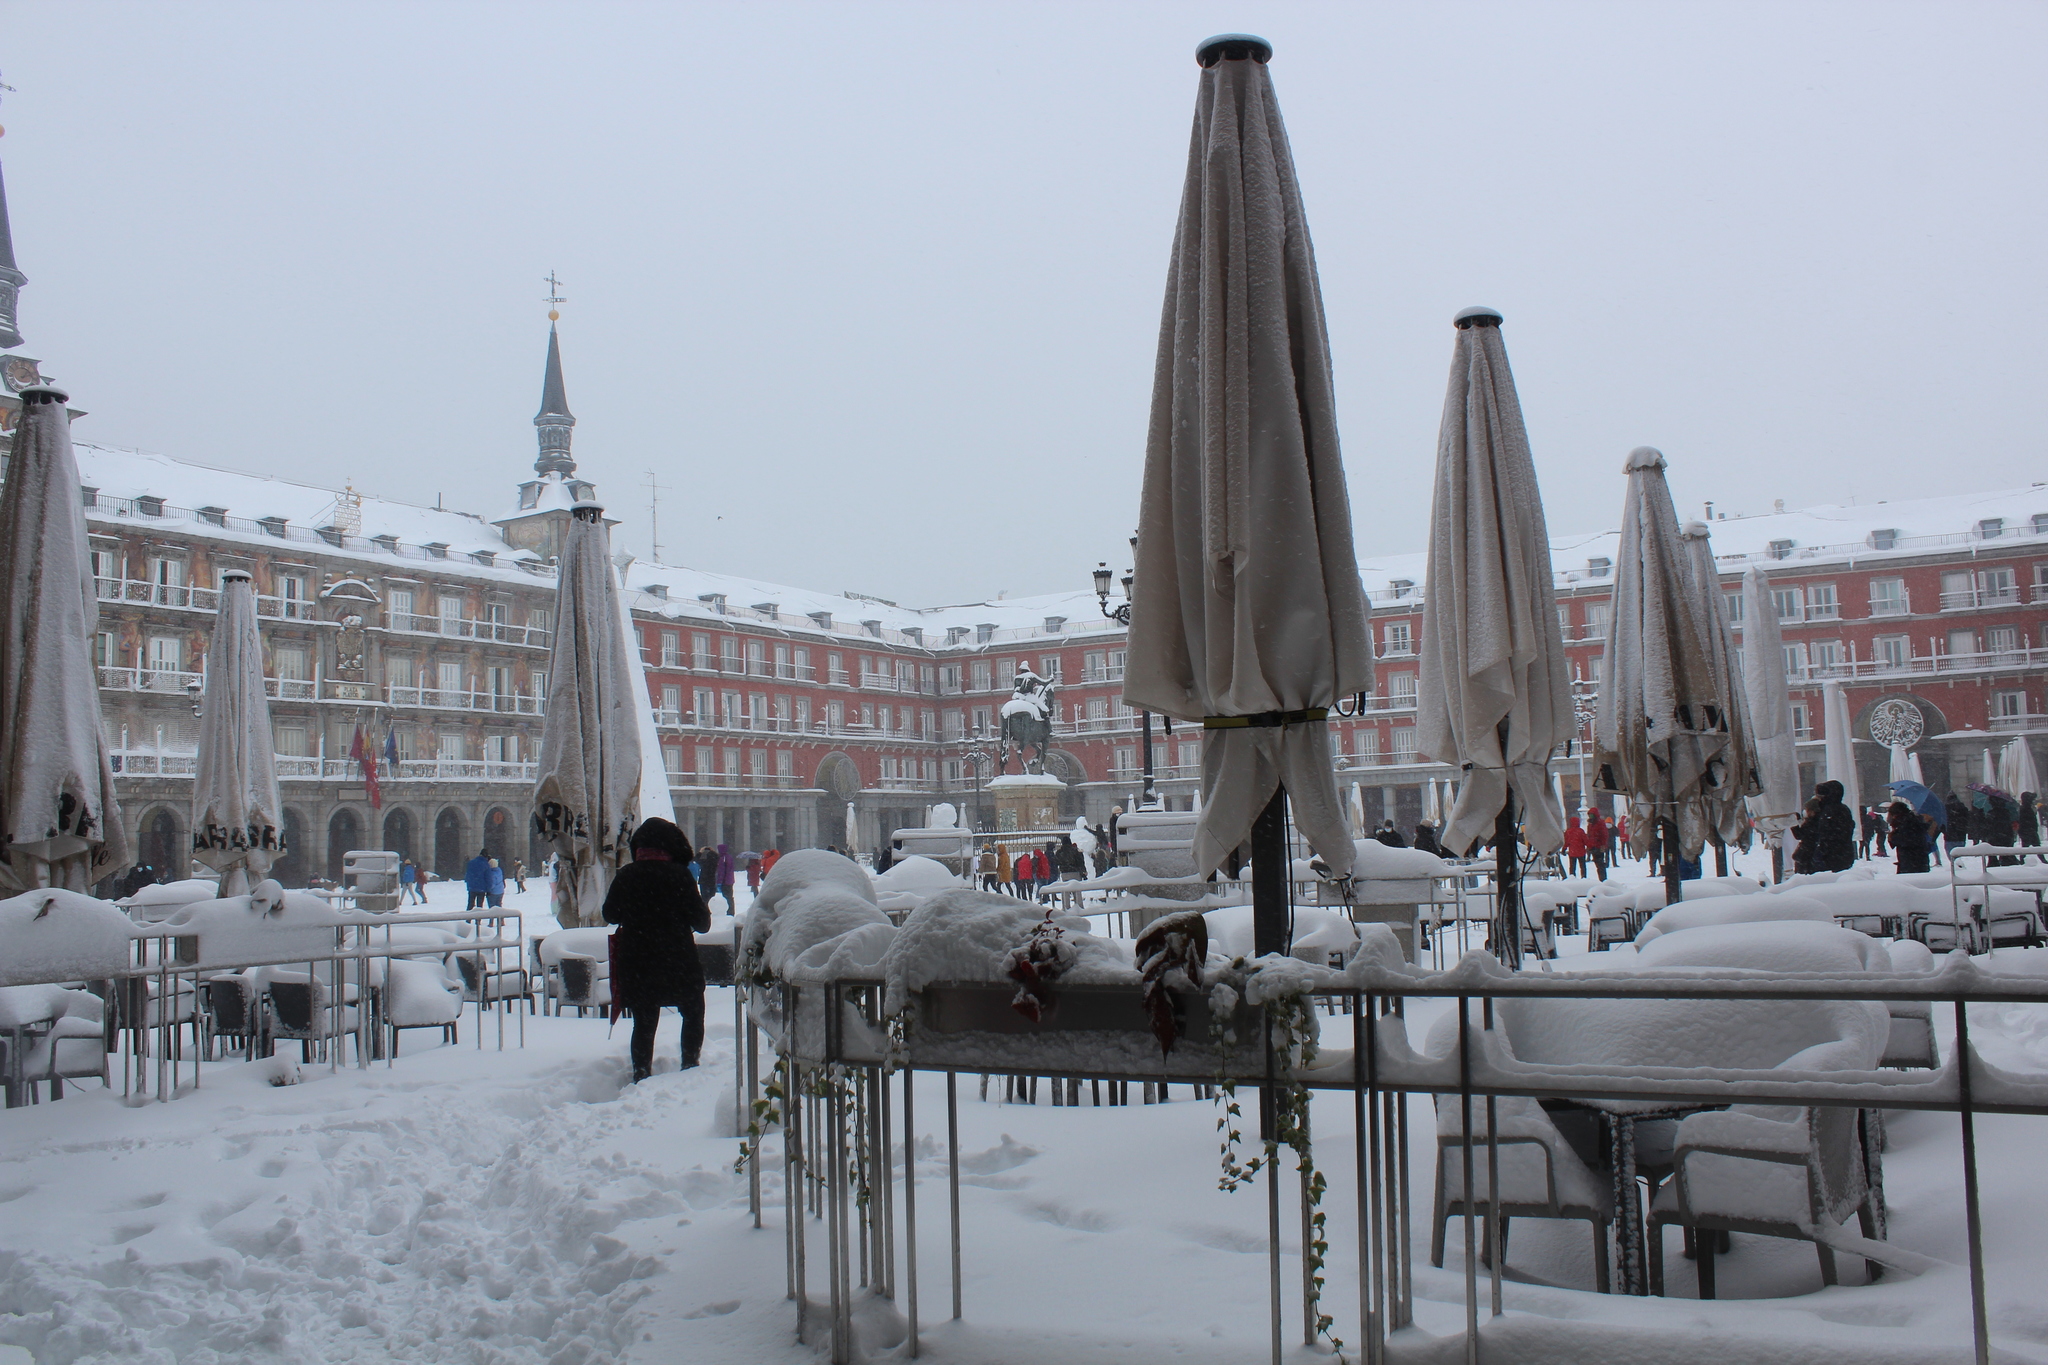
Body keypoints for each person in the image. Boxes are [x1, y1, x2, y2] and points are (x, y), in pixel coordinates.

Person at [601, 817, 710, 1083]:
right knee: (693, 1012)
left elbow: (610, 914)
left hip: (638, 961)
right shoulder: (680, 875)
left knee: (644, 1020)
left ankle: (641, 1071)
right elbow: (703, 923)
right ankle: (690, 1063)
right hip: (677, 959)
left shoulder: (627, 874)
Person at [1887, 800, 1932, 874]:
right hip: (1917, 860)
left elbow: (1906, 840)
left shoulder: (1906, 823)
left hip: (1911, 861)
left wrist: (1893, 837)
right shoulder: (1912, 820)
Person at [1944, 793, 1972, 864]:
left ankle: (1955, 866)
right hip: (1961, 835)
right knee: (1959, 854)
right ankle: (1959, 865)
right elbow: (1967, 820)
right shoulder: (1963, 808)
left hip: (1949, 835)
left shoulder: (1945, 809)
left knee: (1951, 854)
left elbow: (1943, 821)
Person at [1585, 809, 1611, 882]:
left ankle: (1603, 879)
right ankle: (1602, 879)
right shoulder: (1591, 824)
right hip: (1593, 846)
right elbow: (1589, 835)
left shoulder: (1599, 823)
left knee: (1600, 864)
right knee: (1598, 864)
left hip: (1598, 846)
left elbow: (1604, 835)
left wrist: (1603, 845)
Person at [715, 843, 736, 913]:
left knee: (726, 897)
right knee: (730, 896)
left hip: (725, 881)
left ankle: (729, 910)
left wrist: (719, 881)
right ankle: (731, 910)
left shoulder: (723, 858)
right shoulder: (729, 857)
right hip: (729, 880)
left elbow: (722, 871)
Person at [2020, 793, 2041, 861]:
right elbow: (2027, 821)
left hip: (2028, 831)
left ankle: (2022, 860)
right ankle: (2022, 860)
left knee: (2026, 848)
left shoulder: (2026, 808)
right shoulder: (2025, 809)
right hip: (2028, 831)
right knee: (2035, 847)